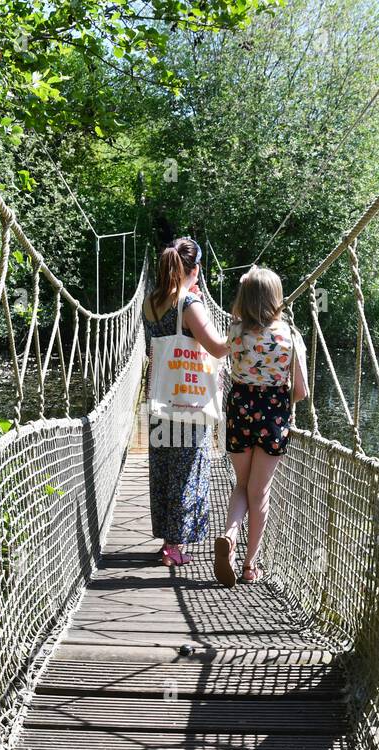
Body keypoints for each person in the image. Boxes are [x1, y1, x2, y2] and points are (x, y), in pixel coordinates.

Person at [214, 266, 308, 586]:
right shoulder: (290, 337)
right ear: (277, 299)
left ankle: (229, 535)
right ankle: (250, 565)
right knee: (260, 491)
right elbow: (301, 391)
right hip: (272, 416)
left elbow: (237, 314)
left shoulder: (236, 332)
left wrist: (246, 287)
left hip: (240, 410)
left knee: (241, 485)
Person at [142, 237, 228, 567]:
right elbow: (219, 348)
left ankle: (167, 541)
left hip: (162, 398)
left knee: (164, 469)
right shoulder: (189, 305)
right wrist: (242, 325)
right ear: (195, 269)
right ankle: (173, 548)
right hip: (189, 403)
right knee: (188, 470)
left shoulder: (151, 303)